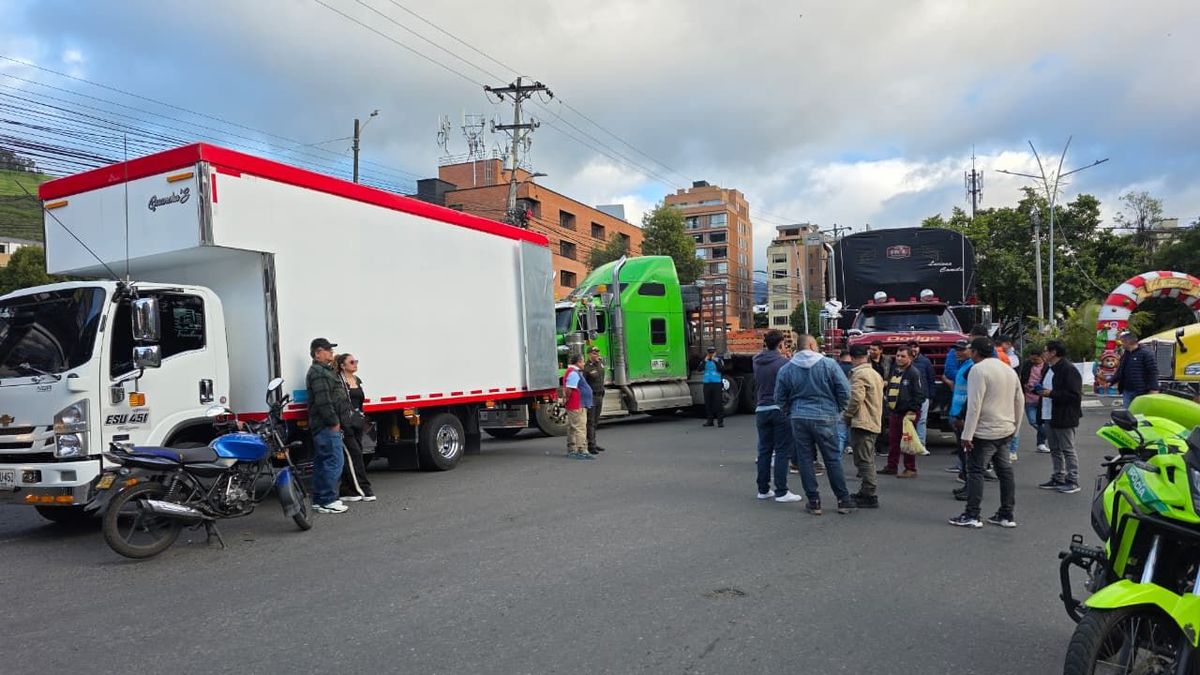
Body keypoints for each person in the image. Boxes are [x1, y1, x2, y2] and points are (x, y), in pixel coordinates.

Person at [775, 334, 856, 515]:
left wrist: (791, 411)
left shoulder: (787, 369)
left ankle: (814, 501)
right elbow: (845, 391)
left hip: (799, 416)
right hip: (826, 415)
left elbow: (779, 398)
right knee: (832, 458)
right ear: (812, 345)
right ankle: (843, 500)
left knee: (805, 460)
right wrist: (838, 410)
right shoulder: (829, 364)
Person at [949, 337, 1023, 529]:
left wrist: (967, 434)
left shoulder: (978, 370)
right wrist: (1016, 427)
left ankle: (972, 514)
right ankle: (1007, 514)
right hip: (1006, 428)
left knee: (975, 471)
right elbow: (1019, 400)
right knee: (1005, 472)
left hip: (984, 431)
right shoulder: (1008, 369)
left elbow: (975, 405)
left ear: (975, 352)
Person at [753, 330, 801, 502]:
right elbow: (792, 385)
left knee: (764, 451)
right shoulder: (784, 363)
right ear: (781, 344)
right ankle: (781, 491)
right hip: (779, 409)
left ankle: (763, 489)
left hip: (761, 409)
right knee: (781, 451)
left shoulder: (756, 361)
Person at [306, 338, 350, 514]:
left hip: (323, 426)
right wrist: (334, 422)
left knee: (323, 462)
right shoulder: (318, 372)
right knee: (334, 461)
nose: (332, 353)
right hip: (326, 426)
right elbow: (323, 401)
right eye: (328, 350)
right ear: (318, 353)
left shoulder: (323, 370)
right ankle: (328, 500)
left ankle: (319, 500)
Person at [1038, 340, 1083, 494]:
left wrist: (1051, 394)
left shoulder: (1068, 369)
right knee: (1055, 449)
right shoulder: (1049, 368)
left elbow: (1074, 395)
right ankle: (1058, 476)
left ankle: (1073, 480)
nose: (1043, 353)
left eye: (1046, 350)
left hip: (1064, 415)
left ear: (1053, 352)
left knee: (1067, 449)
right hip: (1049, 413)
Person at [843, 344, 884, 508]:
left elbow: (855, 398)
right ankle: (866, 491)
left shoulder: (859, 374)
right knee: (867, 457)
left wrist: (847, 414)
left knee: (864, 460)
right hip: (873, 419)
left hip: (863, 421)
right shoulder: (874, 374)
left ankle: (869, 493)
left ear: (852, 358)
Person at [879, 346, 925, 479]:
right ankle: (891, 466)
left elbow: (919, 394)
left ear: (910, 357)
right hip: (895, 411)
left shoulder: (913, 373)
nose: (899, 358)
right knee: (893, 441)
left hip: (908, 413)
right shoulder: (896, 370)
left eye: (903, 356)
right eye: (897, 355)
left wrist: (913, 410)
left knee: (908, 441)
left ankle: (910, 468)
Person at [336, 353, 375, 503]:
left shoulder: (357, 380)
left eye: (356, 361)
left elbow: (360, 402)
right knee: (355, 455)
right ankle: (363, 488)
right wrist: (342, 423)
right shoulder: (339, 381)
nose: (355, 364)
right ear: (343, 365)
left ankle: (347, 490)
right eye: (351, 362)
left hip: (358, 422)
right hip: (346, 423)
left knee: (355, 455)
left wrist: (363, 419)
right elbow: (339, 404)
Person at [1109, 331, 1159, 408]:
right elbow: (1121, 370)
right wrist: (1111, 381)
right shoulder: (1126, 354)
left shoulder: (1146, 353)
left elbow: (1152, 372)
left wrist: (1154, 388)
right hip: (1127, 390)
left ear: (1128, 342)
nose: (1121, 344)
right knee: (1128, 414)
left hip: (1141, 391)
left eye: (1122, 342)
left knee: (1139, 414)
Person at [562, 353, 594, 460]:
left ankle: (572, 449)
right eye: (583, 361)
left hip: (576, 403)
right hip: (576, 404)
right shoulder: (573, 373)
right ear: (578, 362)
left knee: (573, 427)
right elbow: (569, 389)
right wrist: (567, 398)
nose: (584, 363)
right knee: (580, 427)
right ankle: (581, 450)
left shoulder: (572, 372)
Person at [1018, 349, 1050, 453]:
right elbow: (1022, 377)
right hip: (1028, 397)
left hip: (1042, 397)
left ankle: (1040, 443)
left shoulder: (1047, 367)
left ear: (1041, 357)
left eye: (1035, 359)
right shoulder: (1027, 365)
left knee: (1041, 422)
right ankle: (1049, 435)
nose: (1033, 361)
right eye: (1031, 359)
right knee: (1033, 421)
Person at [906, 340, 936, 446]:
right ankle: (908, 443)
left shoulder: (926, 362)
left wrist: (931, 396)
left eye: (916, 347)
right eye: (911, 346)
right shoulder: (902, 360)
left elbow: (931, 379)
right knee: (907, 420)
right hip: (907, 397)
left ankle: (921, 444)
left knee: (922, 420)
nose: (914, 349)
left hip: (923, 396)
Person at [868, 341, 894, 457]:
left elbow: (892, 373)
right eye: (870, 349)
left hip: (884, 393)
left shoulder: (887, 360)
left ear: (880, 350)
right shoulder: (867, 361)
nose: (872, 352)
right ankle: (871, 447)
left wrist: (887, 382)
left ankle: (881, 446)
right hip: (871, 393)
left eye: (874, 349)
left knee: (882, 420)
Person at [583, 347, 607, 454]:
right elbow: (583, 383)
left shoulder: (600, 363)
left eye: (597, 353)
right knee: (591, 421)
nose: (597, 355)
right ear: (589, 354)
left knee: (596, 421)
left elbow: (601, 376)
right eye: (594, 353)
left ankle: (594, 442)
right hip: (591, 396)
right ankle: (591, 445)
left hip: (600, 395)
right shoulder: (587, 367)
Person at [701, 347, 725, 428]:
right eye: (709, 352)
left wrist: (714, 360)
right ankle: (710, 421)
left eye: (712, 352)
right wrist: (705, 361)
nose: (711, 354)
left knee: (718, 403)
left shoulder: (719, 360)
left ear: (715, 353)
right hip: (707, 383)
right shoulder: (705, 360)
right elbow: (699, 369)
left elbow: (721, 369)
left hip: (716, 383)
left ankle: (720, 422)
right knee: (708, 403)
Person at [836, 351, 854, 453]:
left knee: (840, 429)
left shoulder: (836, 368)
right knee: (850, 425)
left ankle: (838, 452)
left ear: (840, 357)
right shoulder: (855, 369)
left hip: (839, 401)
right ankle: (850, 445)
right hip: (853, 400)